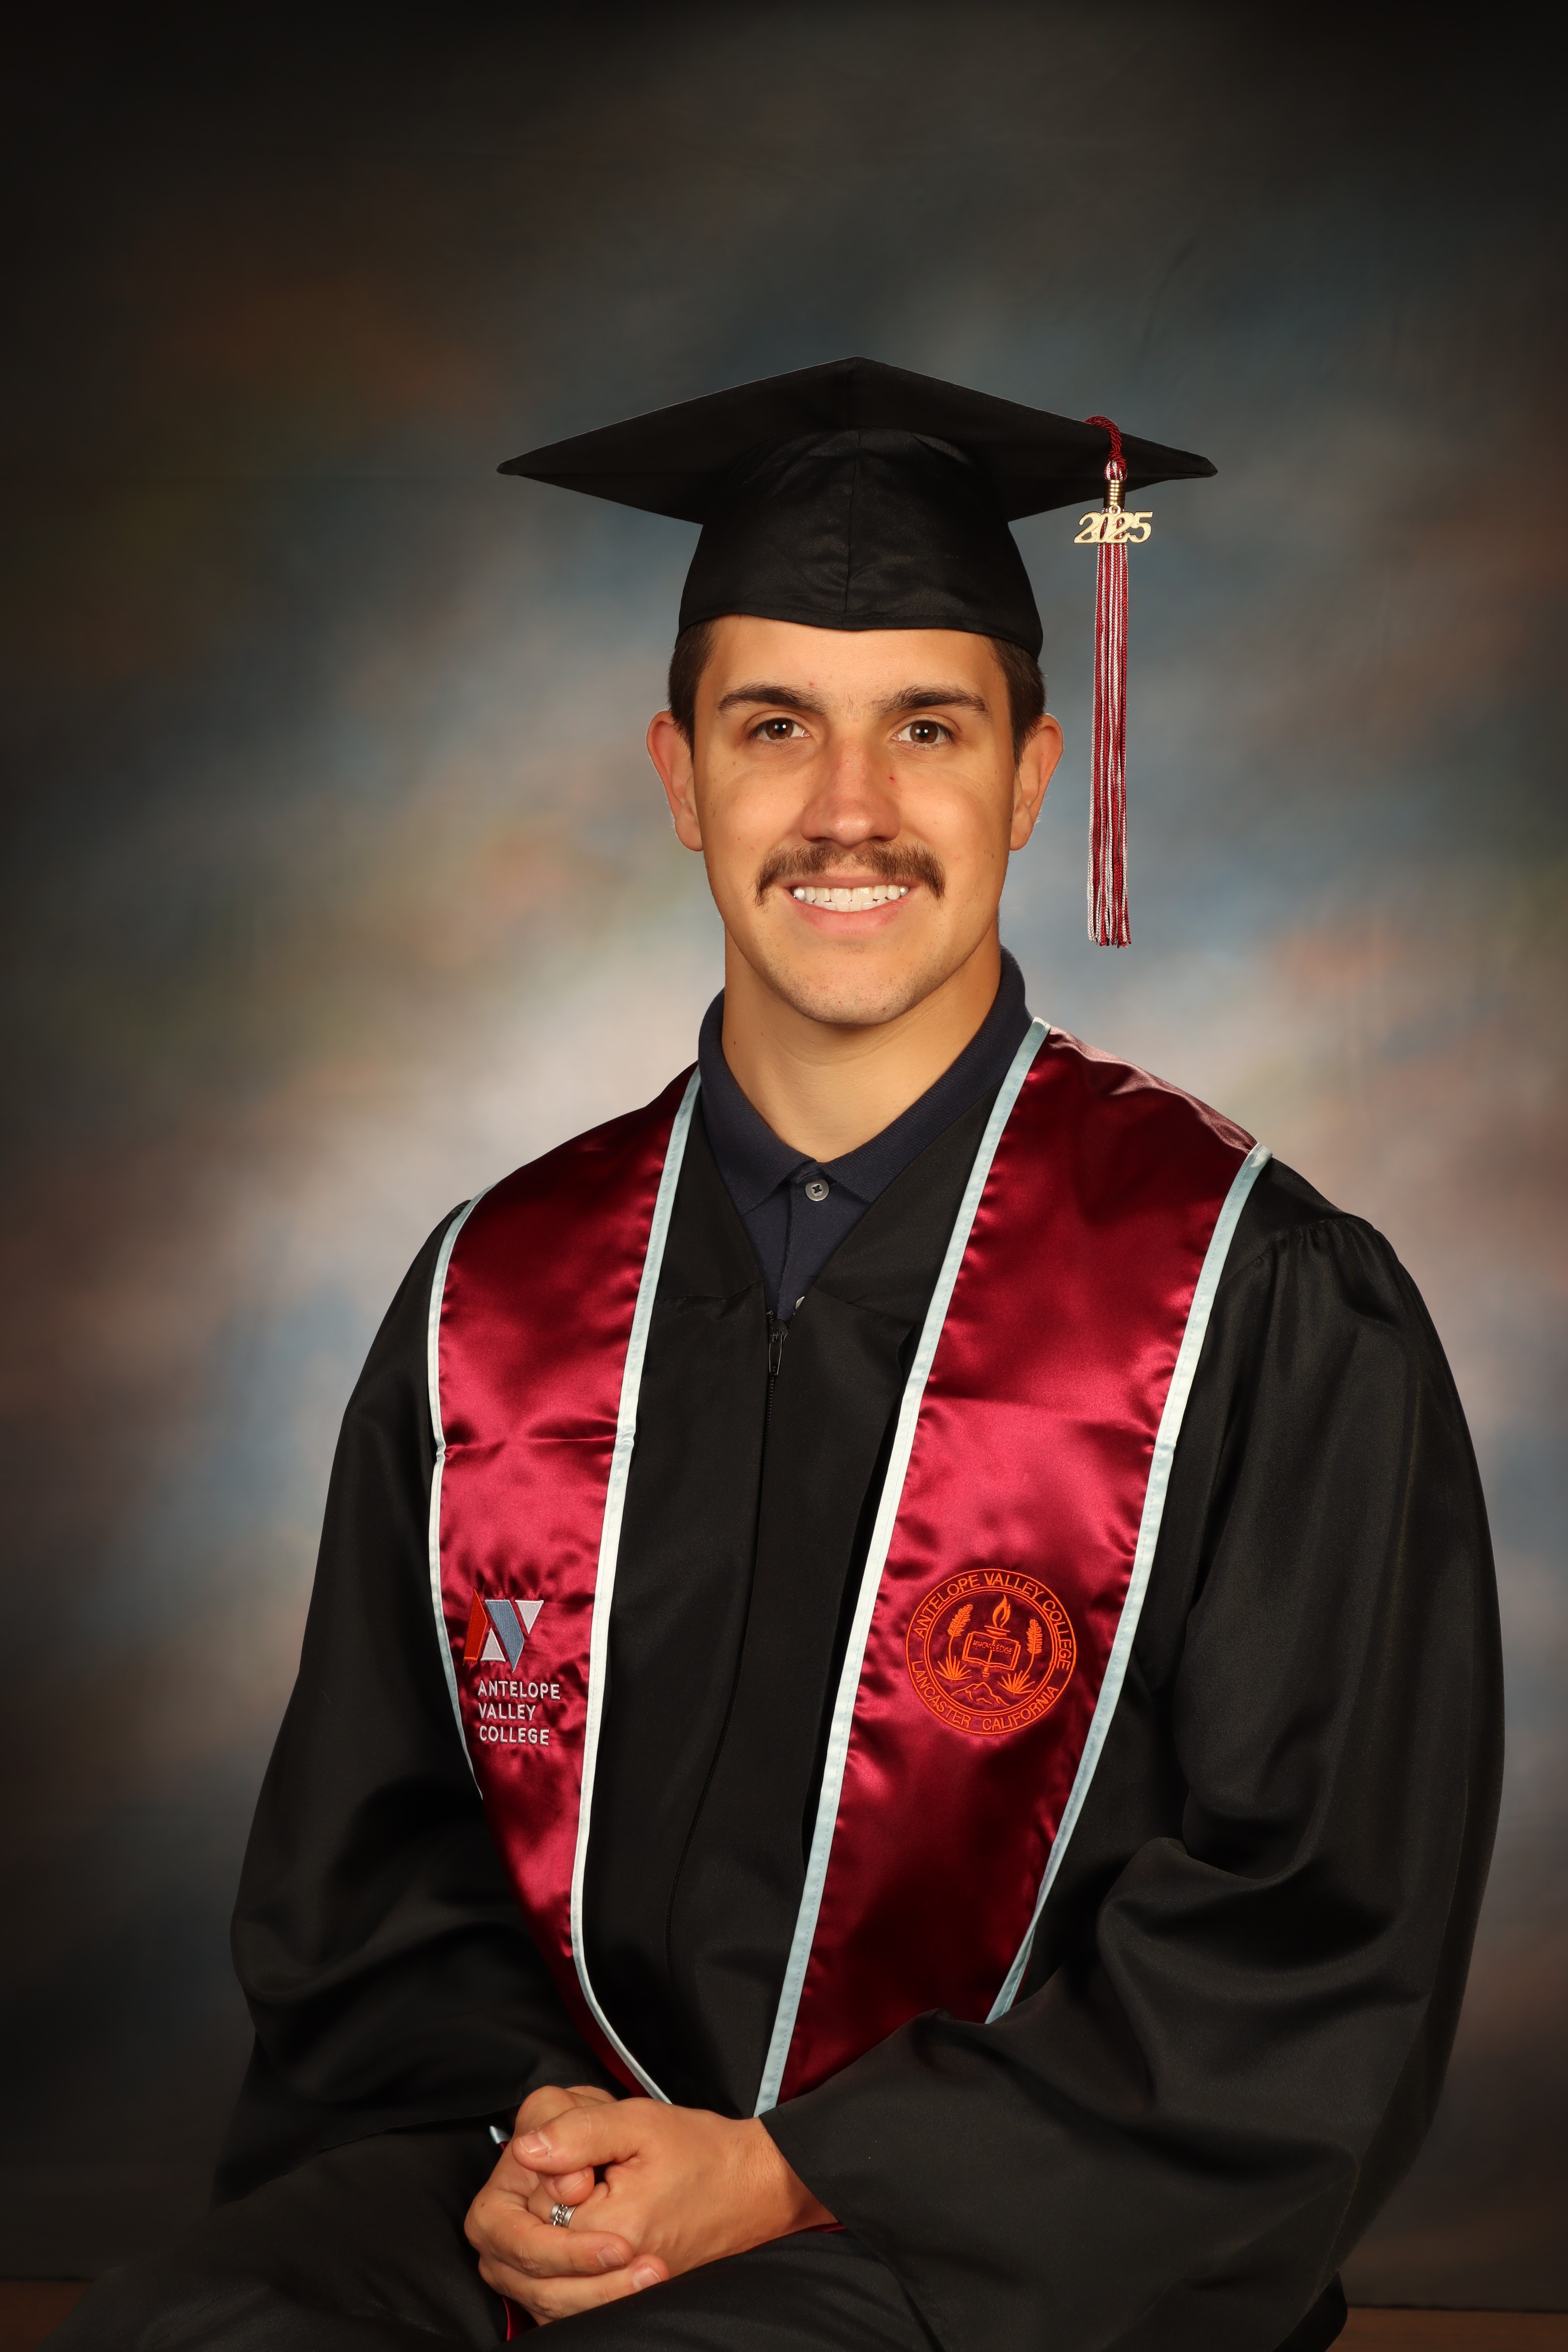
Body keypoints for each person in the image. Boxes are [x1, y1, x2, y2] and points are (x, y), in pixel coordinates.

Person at [53, 360, 1501, 2352]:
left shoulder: (1247, 1298)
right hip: (539, 2169)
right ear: (679, 778)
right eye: (773, 726)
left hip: (1003, 2237)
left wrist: (805, 2172)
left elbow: (1309, 1938)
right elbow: (371, 1882)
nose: (848, 811)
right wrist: (538, 2139)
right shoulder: (494, 1303)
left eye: (926, 727)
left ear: (1030, 777)